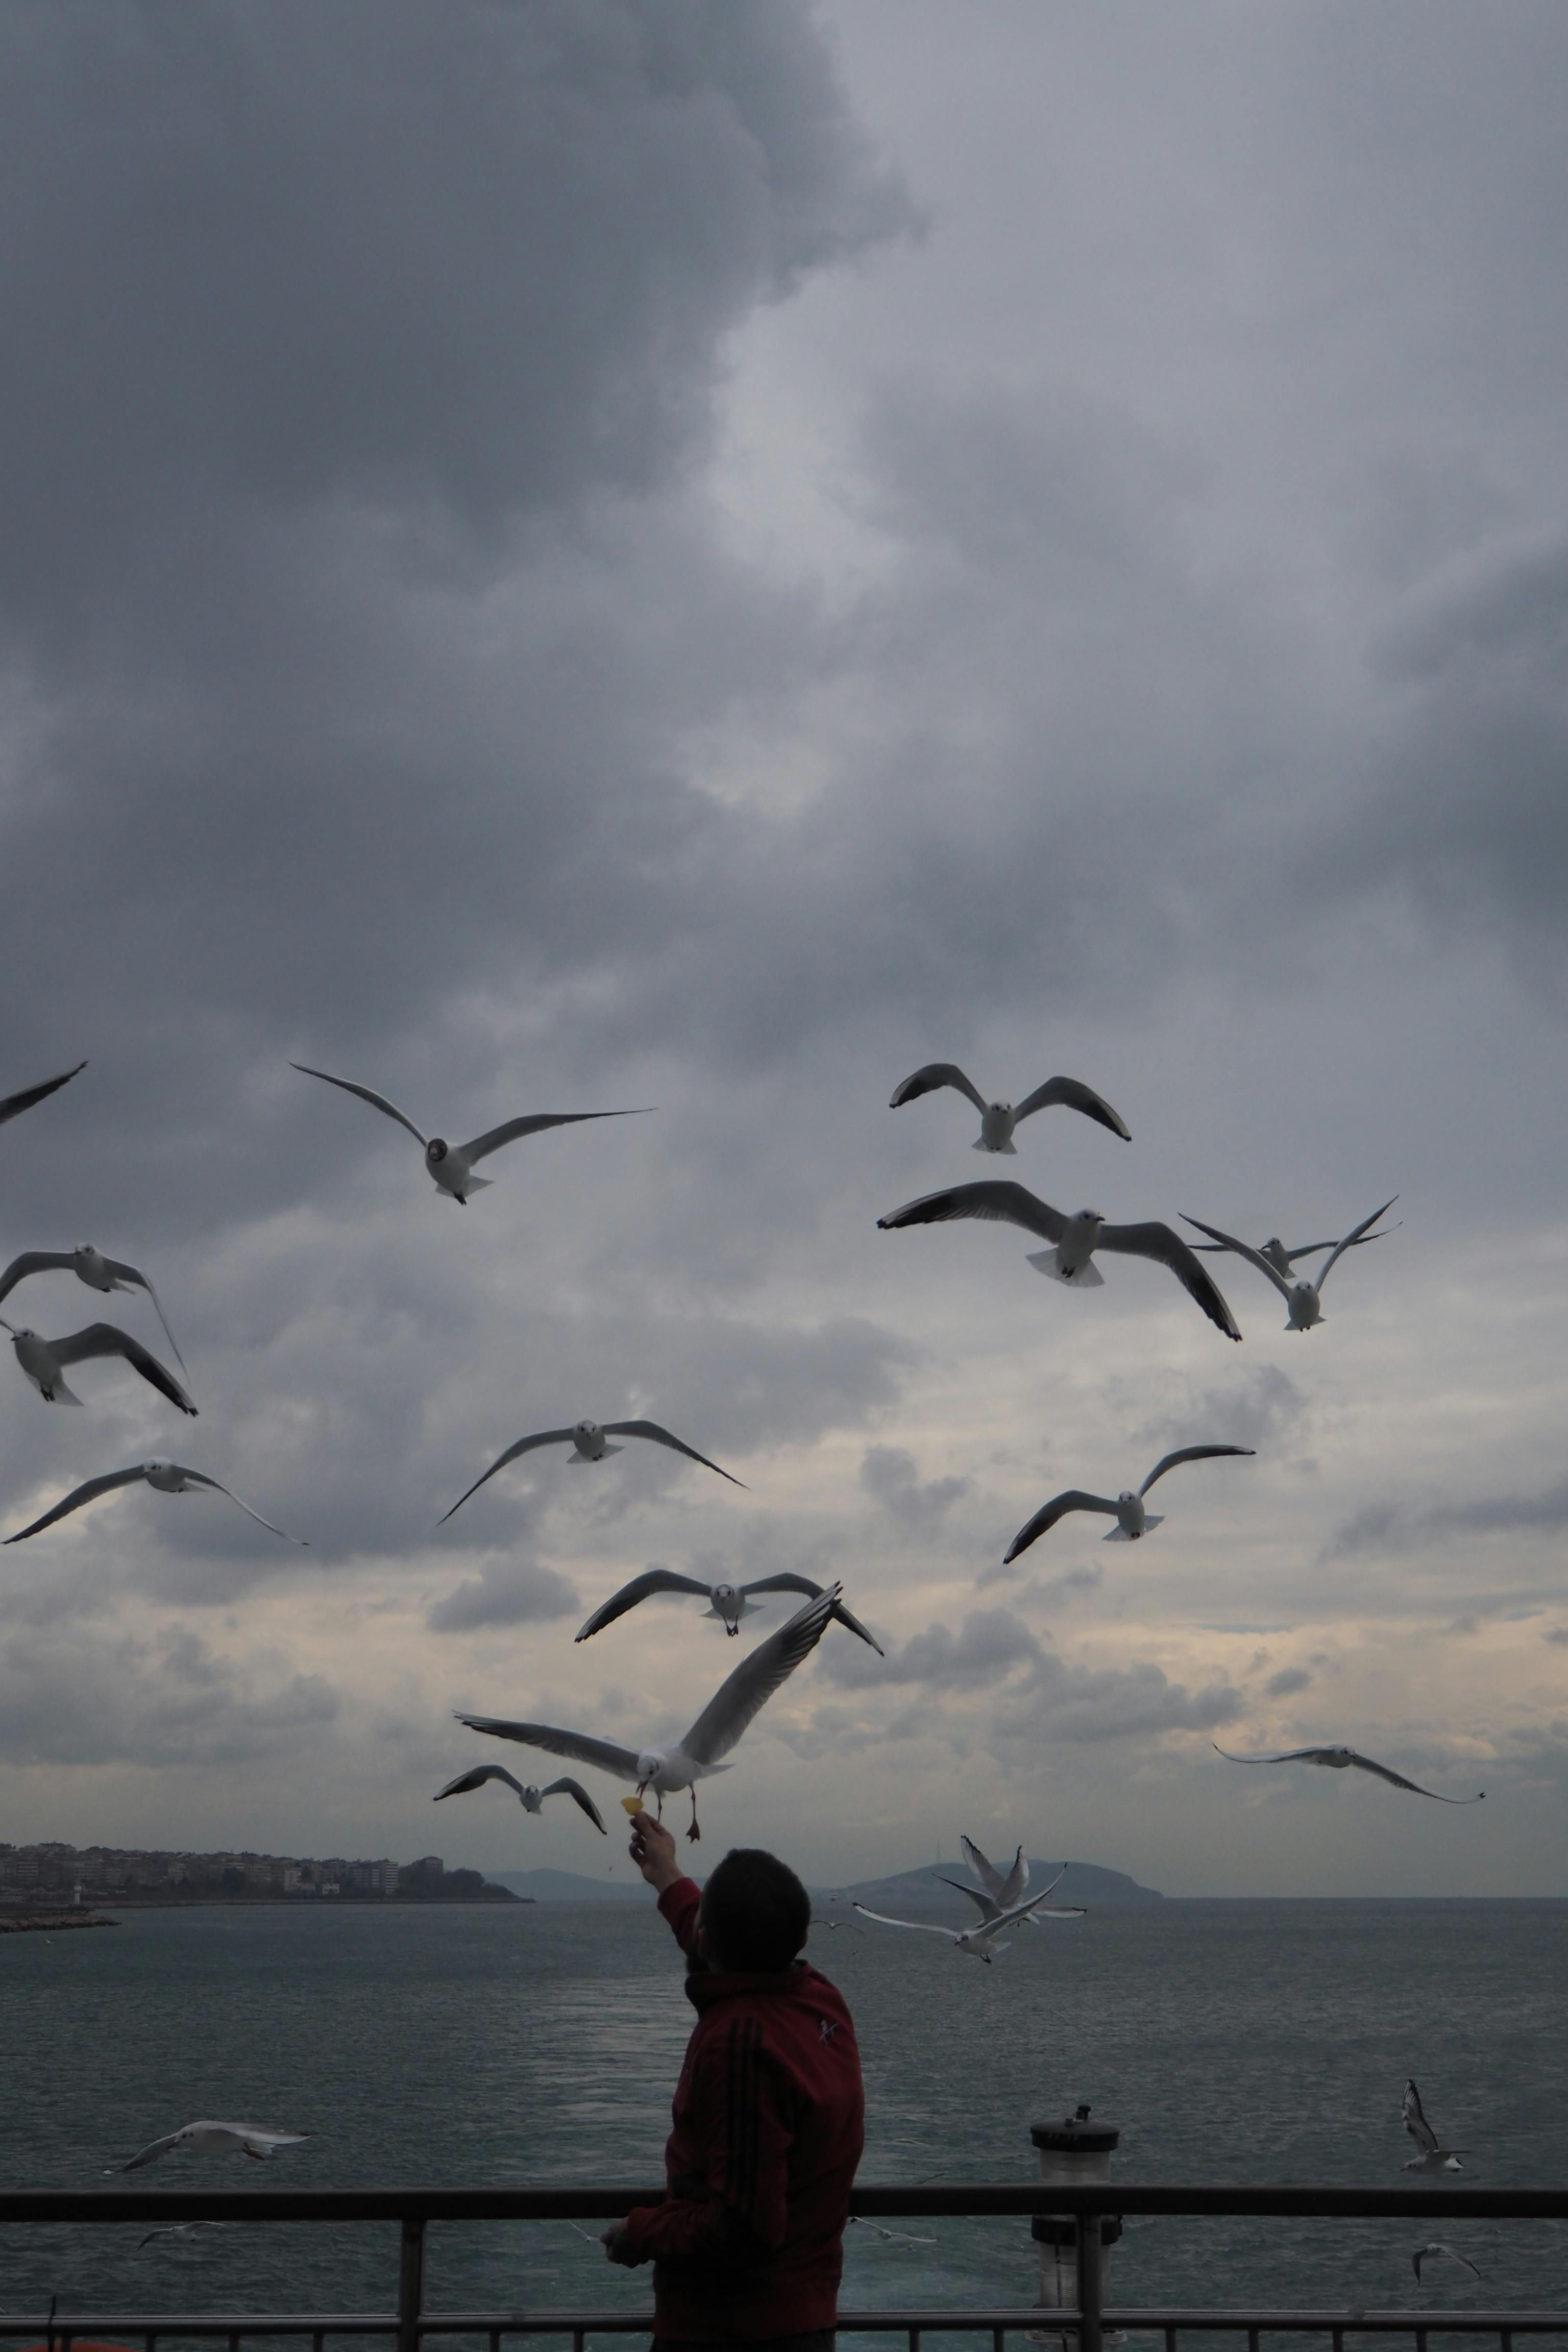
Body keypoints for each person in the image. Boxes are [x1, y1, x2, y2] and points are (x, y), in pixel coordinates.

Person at [601, 1810, 865, 2352]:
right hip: (805, 2319)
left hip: (735, 2331)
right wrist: (668, 1874)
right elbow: (724, 1937)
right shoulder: (816, 1995)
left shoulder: (742, 2043)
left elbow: (744, 2226)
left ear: (708, 1938)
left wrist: (642, 2233)